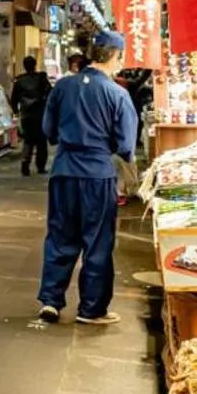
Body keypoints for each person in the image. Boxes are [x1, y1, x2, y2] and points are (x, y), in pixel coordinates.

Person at [37, 31, 138, 325]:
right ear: (116, 56)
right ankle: (92, 308)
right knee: (97, 241)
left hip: (64, 169)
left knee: (59, 236)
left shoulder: (62, 86)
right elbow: (126, 145)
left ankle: (51, 300)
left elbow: (49, 130)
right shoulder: (117, 93)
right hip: (97, 173)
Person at [10, 55, 52, 176]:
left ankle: (25, 164)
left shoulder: (19, 81)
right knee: (41, 142)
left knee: (28, 141)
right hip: (40, 114)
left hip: (26, 115)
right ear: (34, 65)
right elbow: (50, 93)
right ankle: (40, 166)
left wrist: (16, 113)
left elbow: (14, 100)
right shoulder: (41, 78)